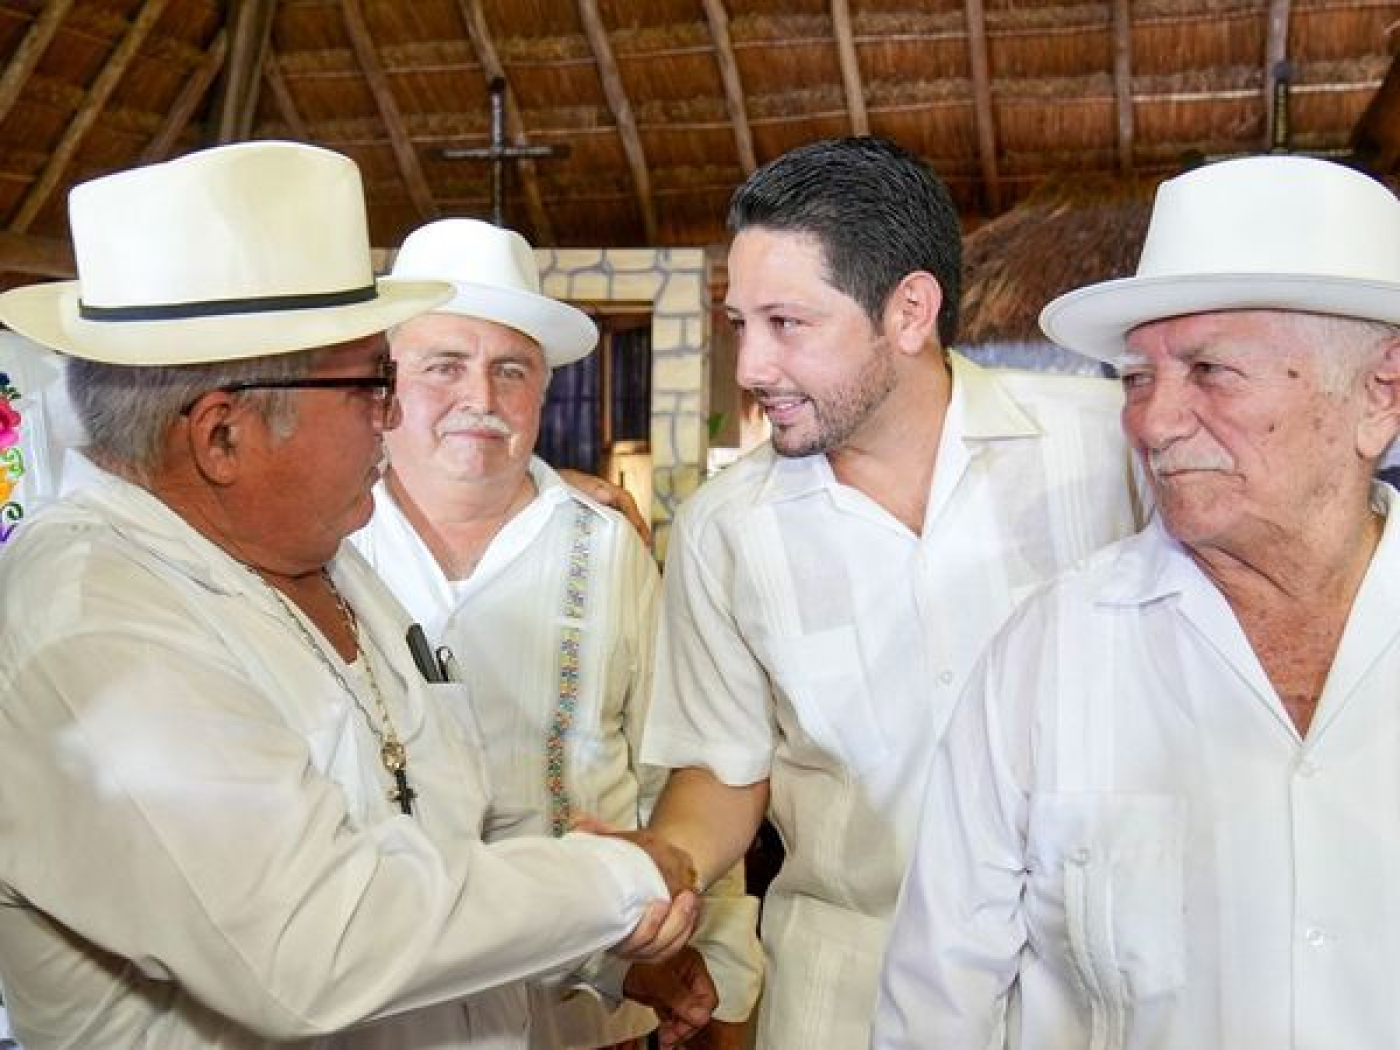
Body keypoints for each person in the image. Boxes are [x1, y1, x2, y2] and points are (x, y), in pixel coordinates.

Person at [0, 141, 709, 1050]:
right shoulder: (93, 628)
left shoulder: (319, 558)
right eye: (376, 381)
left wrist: (597, 954)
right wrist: (616, 881)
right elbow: (316, 940)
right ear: (223, 436)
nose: (394, 414)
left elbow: (440, 858)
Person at [873, 155, 1400, 1049]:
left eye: (1210, 370)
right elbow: (937, 1007)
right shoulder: (1049, 654)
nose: (1152, 424)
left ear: (1380, 395)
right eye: (1138, 378)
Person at [638, 135, 1146, 1050]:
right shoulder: (726, 529)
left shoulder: (1108, 452)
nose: (752, 367)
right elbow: (723, 769)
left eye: (787, 324)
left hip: (1099, 991)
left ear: (910, 310)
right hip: (847, 999)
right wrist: (664, 862)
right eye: (738, 324)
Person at [353, 217, 761, 1050]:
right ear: (385, 382)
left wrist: (714, 968)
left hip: (590, 1013)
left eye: (512, 370)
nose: (482, 398)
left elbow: (677, 762)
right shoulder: (324, 544)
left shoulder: (607, 546)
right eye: (444, 366)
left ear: (541, 390)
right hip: (381, 1014)